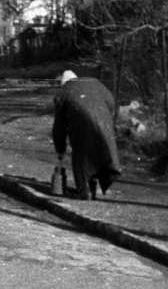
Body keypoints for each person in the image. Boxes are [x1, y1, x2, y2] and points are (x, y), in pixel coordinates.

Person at [51, 70, 121, 199]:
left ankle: (84, 190)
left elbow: (59, 127)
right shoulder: (93, 81)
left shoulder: (64, 92)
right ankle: (96, 187)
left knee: (81, 154)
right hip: (103, 121)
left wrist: (60, 149)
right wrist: (104, 115)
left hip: (81, 123)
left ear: (63, 82)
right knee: (101, 151)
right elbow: (111, 101)